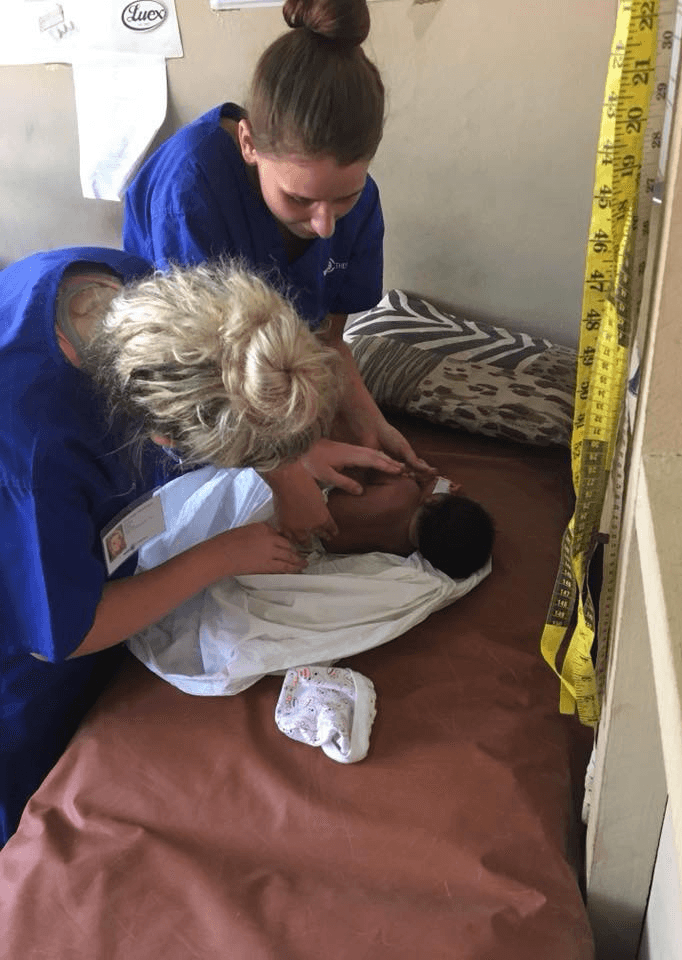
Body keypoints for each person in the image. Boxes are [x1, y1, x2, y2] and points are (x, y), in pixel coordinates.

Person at [0, 248, 400, 847]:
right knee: (25, 794)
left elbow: (230, 376)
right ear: (165, 438)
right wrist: (222, 555)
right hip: (24, 667)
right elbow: (69, 631)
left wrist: (292, 452)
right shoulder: (38, 451)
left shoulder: (137, 295)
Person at [122, 0, 431, 543]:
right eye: (299, 199)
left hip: (271, 378)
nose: (325, 225)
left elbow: (328, 338)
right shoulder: (191, 190)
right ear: (248, 145)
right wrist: (290, 472)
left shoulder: (356, 206)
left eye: (346, 197)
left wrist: (366, 417)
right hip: (190, 377)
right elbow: (204, 376)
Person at [322, 471, 496, 579]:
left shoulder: (405, 490)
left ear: (432, 498)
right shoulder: (403, 549)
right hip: (319, 542)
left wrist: (418, 478)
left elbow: (369, 460)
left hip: (317, 501)